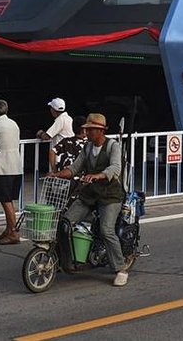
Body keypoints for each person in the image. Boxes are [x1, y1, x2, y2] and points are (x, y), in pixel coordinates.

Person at [54, 113, 129, 287]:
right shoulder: (87, 147)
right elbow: (74, 168)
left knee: (106, 230)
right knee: (65, 222)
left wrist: (98, 176)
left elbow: (115, 168)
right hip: (90, 194)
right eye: (86, 130)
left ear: (100, 131)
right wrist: (58, 174)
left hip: (110, 196)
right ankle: (65, 260)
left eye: (89, 130)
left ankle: (120, 269)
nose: (86, 132)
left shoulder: (113, 146)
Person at [0, 99, 23, 244]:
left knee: (5, 200)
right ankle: (9, 229)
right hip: (16, 166)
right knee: (8, 200)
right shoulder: (14, 124)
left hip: (3, 168)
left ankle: (13, 232)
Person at [35, 97, 74, 172]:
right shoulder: (69, 118)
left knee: (59, 178)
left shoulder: (60, 120)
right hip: (69, 154)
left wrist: (40, 133)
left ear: (53, 109)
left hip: (61, 155)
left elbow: (47, 136)